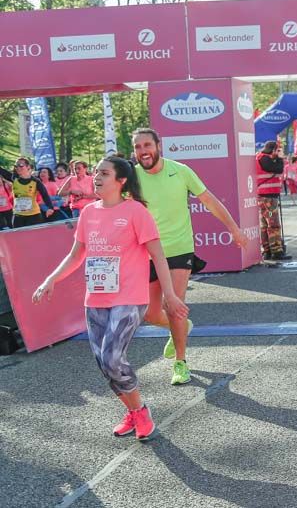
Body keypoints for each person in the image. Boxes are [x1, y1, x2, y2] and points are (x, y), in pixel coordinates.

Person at [32, 156, 189, 440]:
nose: (96, 177)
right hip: (96, 299)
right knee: (104, 364)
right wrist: (50, 279)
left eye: (104, 173)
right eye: (96, 172)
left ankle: (141, 412)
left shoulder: (136, 211)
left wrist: (170, 295)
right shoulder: (88, 213)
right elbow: (76, 256)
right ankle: (134, 411)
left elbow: (158, 255)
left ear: (121, 181)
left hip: (130, 297)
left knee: (112, 358)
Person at [133, 128, 248, 385]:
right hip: (148, 251)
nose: (143, 151)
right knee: (150, 314)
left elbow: (210, 201)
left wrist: (233, 228)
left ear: (158, 145)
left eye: (147, 145)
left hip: (179, 248)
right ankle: (182, 327)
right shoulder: (132, 177)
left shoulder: (181, 171)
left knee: (174, 306)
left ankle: (180, 363)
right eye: (138, 147)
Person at [256, 141, 291, 261]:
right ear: (273, 150)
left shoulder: (262, 158)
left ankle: (267, 250)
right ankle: (276, 251)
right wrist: (280, 159)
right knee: (273, 224)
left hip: (265, 197)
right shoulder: (264, 159)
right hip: (268, 199)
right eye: (278, 150)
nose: (279, 152)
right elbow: (278, 169)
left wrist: (276, 158)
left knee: (265, 225)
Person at [0, 157, 55, 227]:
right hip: (18, 215)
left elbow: (45, 195)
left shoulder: (36, 181)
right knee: (18, 234)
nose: (18, 168)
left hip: (33, 215)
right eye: (16, 166)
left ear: (28, 167)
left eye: (21, 165)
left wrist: (50, 208)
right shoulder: (14, 178)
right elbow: (2, 171)